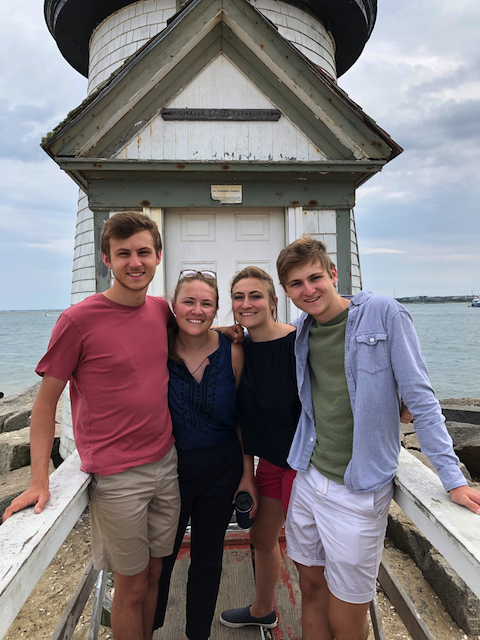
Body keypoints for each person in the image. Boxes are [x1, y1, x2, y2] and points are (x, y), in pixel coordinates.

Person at [276, 235, 480, 640]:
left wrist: (452, 478)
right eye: (296, 284)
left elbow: (421, 398)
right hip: (309, 477)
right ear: (287, 292)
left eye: (315, 277)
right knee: (311, 587)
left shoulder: (384, 314)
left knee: (349, 606)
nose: (308, 290)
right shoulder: (302, 330)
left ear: (334, 274)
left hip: (359, 488)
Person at [3, 212, 180, 640]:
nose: (134, 262)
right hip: (118, 477)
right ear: (106, 259)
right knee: (131, 585)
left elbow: (192, 340)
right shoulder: (77, 320)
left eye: (143, 252)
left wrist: (231, 332)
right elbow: (45, 405)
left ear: (158, 256)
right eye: (123, 254)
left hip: (168, 463)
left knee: (157, 572)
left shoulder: (161, 310)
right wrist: (39, 478)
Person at [153, 271, 256, 640]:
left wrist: (248, 474)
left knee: (208, 560)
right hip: (169, 471)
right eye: (189, 302)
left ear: (216, 309)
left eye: (206, 303)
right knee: (159, 560)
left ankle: (198, 634)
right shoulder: (156, 347)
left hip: (222, 469)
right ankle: (150, 627)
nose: (197, 310)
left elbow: (243, 418)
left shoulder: (234, 350)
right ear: (173, 305)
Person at [219, 266, 301, 630]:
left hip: (309, 465)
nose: (246, 303)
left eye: (255, 296)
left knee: (312, 553)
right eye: (239, 297)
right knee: (261, 535)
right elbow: (243, 418)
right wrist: (246, 474)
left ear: (273, 300)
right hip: (269, 462)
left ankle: (332, 622)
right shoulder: (239, 350)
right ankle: (263, 610)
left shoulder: (300, 343)